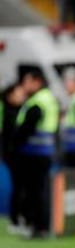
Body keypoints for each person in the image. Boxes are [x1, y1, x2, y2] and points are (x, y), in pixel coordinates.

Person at [13, 70, 60, 238]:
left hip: (33, 154)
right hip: (45, 152)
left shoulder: (38, 101)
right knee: (41, 191)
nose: (24, 86)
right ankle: (42, 226)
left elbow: (26, 128)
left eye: (27, 81)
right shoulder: (49, 99)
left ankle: (36, 226)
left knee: (33, 192)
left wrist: (15, 141)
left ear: (36, 82)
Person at [0, 83, 26, 232]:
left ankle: (18, 218)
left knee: (20, 186)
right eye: (19, 93)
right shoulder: (8, 112)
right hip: (12, 156)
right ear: (10, 95)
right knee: (18, 186)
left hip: (17, 155)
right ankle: (15, 219)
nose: (22, 95)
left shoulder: (19, 109)